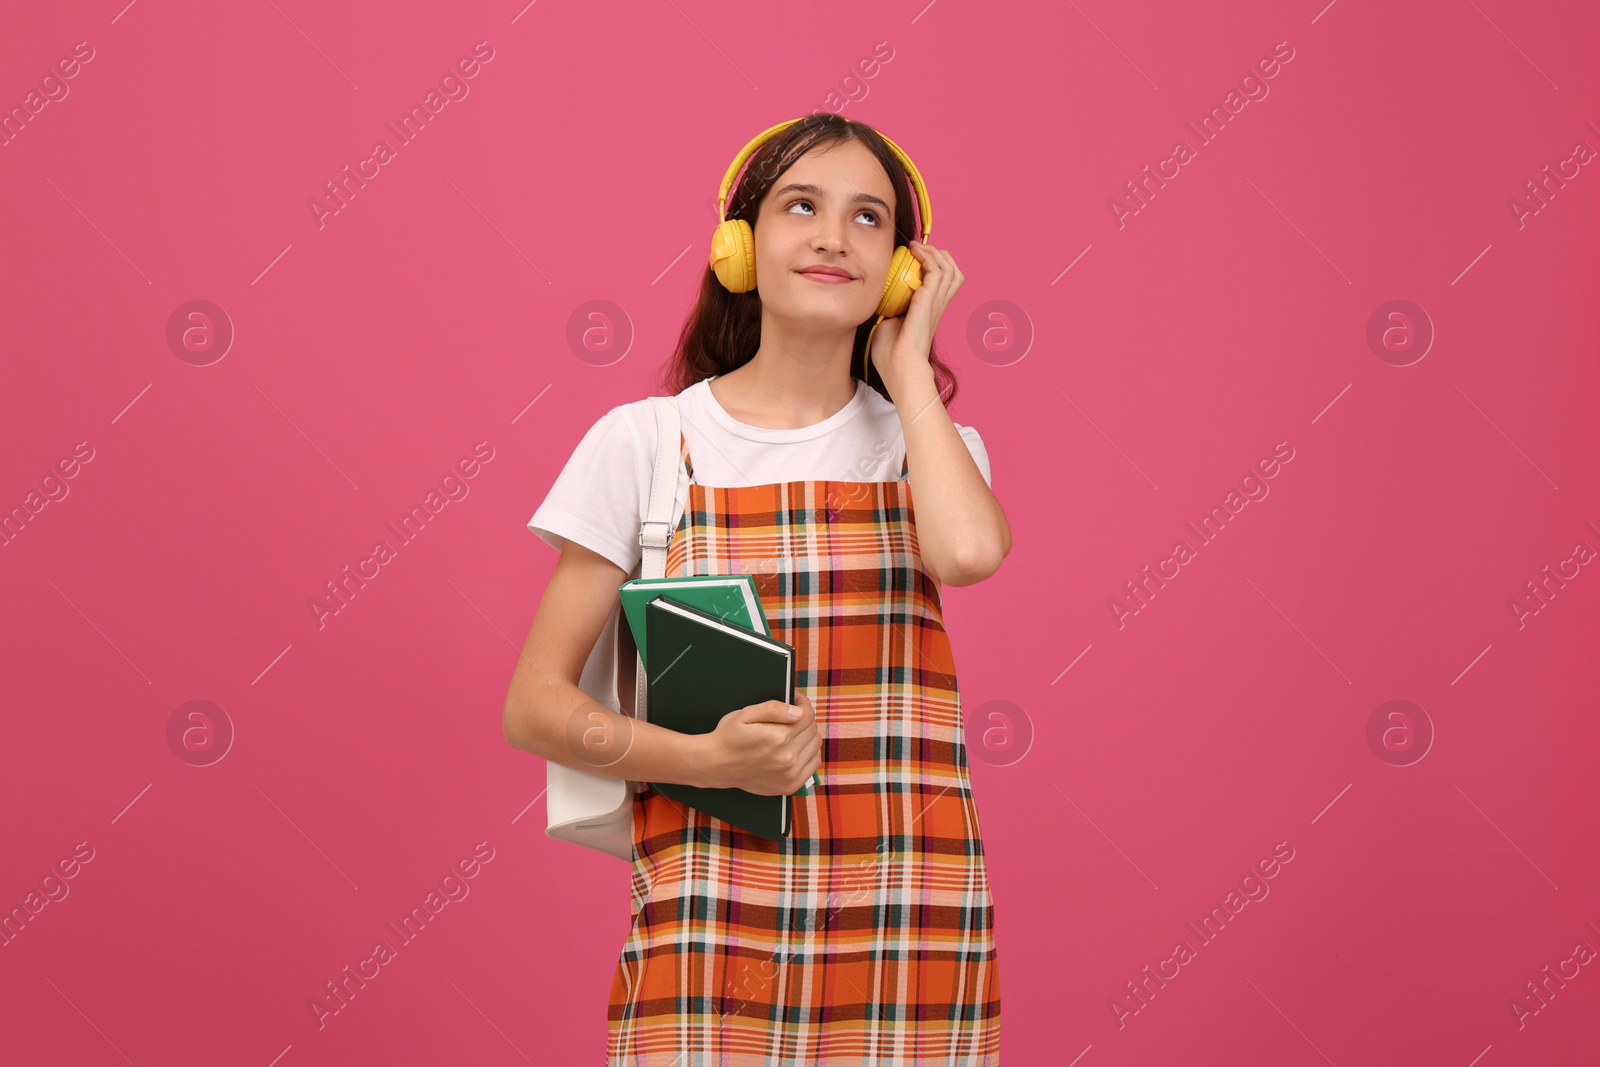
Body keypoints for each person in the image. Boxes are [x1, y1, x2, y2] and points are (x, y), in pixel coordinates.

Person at [504, 113, 1010, 1064]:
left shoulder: (923, 445)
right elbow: (533, 704)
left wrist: (909, 375)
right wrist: (707, 761)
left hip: (909, 913)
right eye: (801, 206)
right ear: (740, 245)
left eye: (870, 218)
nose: (831, 235)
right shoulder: (649, 442)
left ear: (903, 268)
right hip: (707, 915)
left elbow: (971, 552)